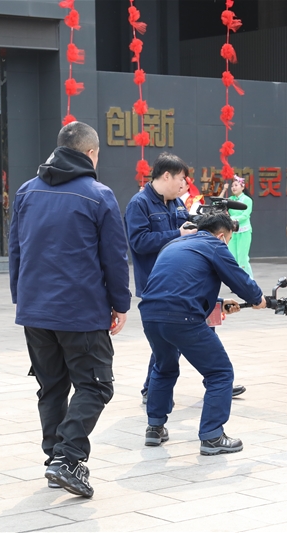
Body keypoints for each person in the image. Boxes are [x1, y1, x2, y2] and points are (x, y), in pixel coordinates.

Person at [9, 121, 131, 498]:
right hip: (80, 310)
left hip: (35, 309)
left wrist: (21, 298)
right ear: (91, 153)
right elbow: (114, 257)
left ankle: (55, 458)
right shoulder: (98, 195)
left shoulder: (27, 191)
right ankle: (67, 458)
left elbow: (16, 250)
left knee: (52, 386)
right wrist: (120, 304)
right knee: (96, 384)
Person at [139, 211, 266, 455]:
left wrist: (218, 303)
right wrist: (257, 298)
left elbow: (178, 286)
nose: (227, 245)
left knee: (163, 368)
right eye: (228, 240)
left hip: (150, 315)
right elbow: (239, 279)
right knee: (220, 372)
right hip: (183, 317)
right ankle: (212, 437)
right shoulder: (214, 245)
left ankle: (154, 428)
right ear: (221, 236)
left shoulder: (174, 244)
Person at [125, 152, 196, 402]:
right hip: (155, 283)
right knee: (167, 339)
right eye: (181, 179)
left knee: (171, 338)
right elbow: (139, 242)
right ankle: (154, 389)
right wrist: (178, 234)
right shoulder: (139, 204)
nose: (183, 184)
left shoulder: (177, 204)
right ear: (166, 176)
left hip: (179, 281)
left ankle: (153, 388)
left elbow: (187, 230)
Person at [227, 175, 253, 279]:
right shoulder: (230, 199)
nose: (233, 187)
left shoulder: (247, 200)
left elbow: (245, 215)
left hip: (244, 231)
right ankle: (237, 281)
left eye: (236, 185)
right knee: (233, 258)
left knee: (243, 259)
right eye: (232, 186)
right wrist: (223, 189)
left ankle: (249, 281)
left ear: (242, 187)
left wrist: (232, 218)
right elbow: (217, 203)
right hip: (233, 232)